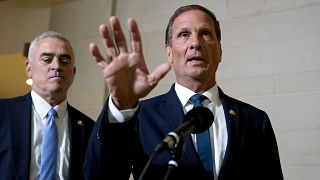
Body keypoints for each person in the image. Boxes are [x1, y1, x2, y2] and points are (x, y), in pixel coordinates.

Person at [84, 4, 283, 180]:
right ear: (169, 52)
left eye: (205, 33)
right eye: (184, 34)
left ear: (219, 51)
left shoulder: (255, 121)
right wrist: (122, 106)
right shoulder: (141, 116)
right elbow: (99, 175)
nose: (195, 43)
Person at [0, 31, 95, 180]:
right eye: (47, 59)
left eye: (64, 61)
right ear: (29, 69)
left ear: (73, 72)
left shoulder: (89, 129)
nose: (56, 66)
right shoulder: (3, 114)